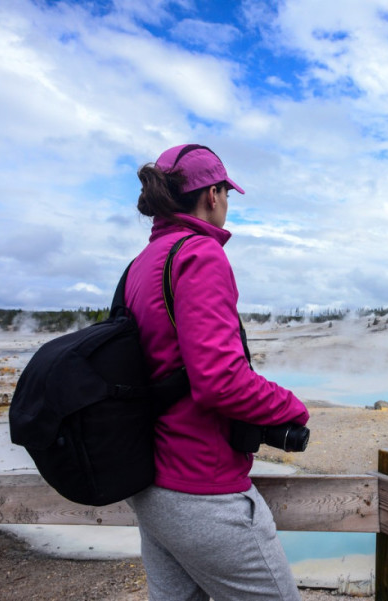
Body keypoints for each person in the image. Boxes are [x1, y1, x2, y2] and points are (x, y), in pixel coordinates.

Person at [124, 143, 310, 600]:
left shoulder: (143, 263)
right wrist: (291, 407)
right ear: (212, 194)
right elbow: (219, 380)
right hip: (201, 487)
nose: (227, 203)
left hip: (152, 483)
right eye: (227, 193)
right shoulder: (199, 255)